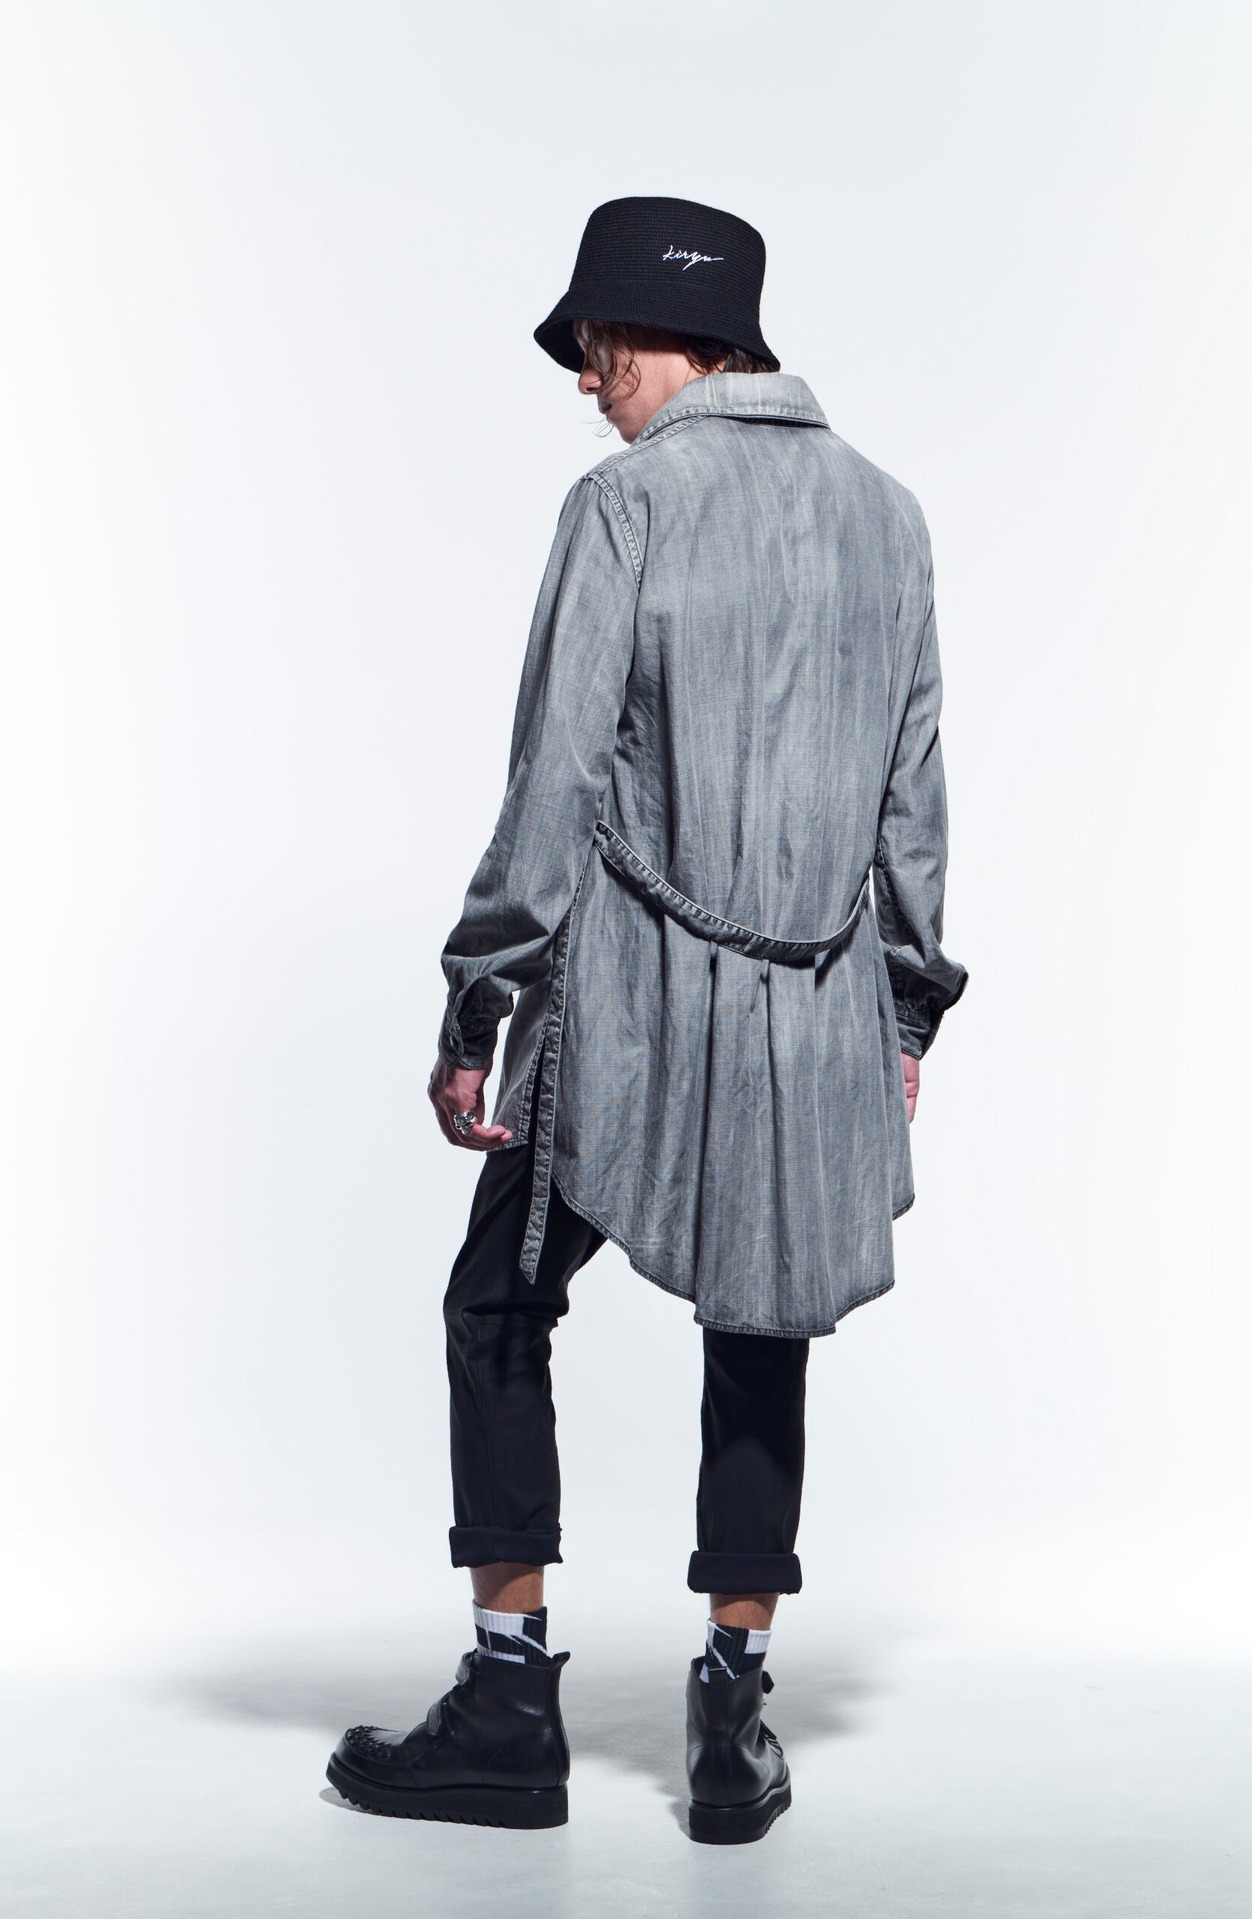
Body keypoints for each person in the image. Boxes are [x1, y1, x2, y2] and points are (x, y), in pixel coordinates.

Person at [326, 195, 967, 1844]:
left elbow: (552, 779)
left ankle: (508, 1697)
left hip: (631, 996)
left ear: (678, 339)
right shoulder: (890, 515)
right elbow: (914, 798)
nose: (586, 375)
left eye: (600, 342)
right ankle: (731, 1715)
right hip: (818, 1000)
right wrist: (904, 1009)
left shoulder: (625, 505)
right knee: (764, 1326)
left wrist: (483, 997)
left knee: (497, 1299)